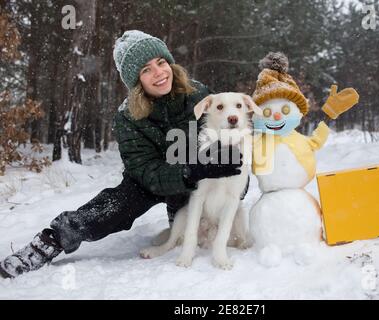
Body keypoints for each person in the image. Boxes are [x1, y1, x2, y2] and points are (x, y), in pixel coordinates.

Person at [0, 30, 244, 279]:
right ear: (136, 81)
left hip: (196, 180)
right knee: (117, 205)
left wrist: (224, 159)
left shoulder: (198, 94)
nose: (159, 73)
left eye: (161, 63)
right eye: (146, 70)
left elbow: (227, 126)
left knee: (233, 183)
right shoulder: (127, 117)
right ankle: (52, 240)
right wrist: (187, 172)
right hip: (154, 180)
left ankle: (181, 213)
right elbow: (146, 171)